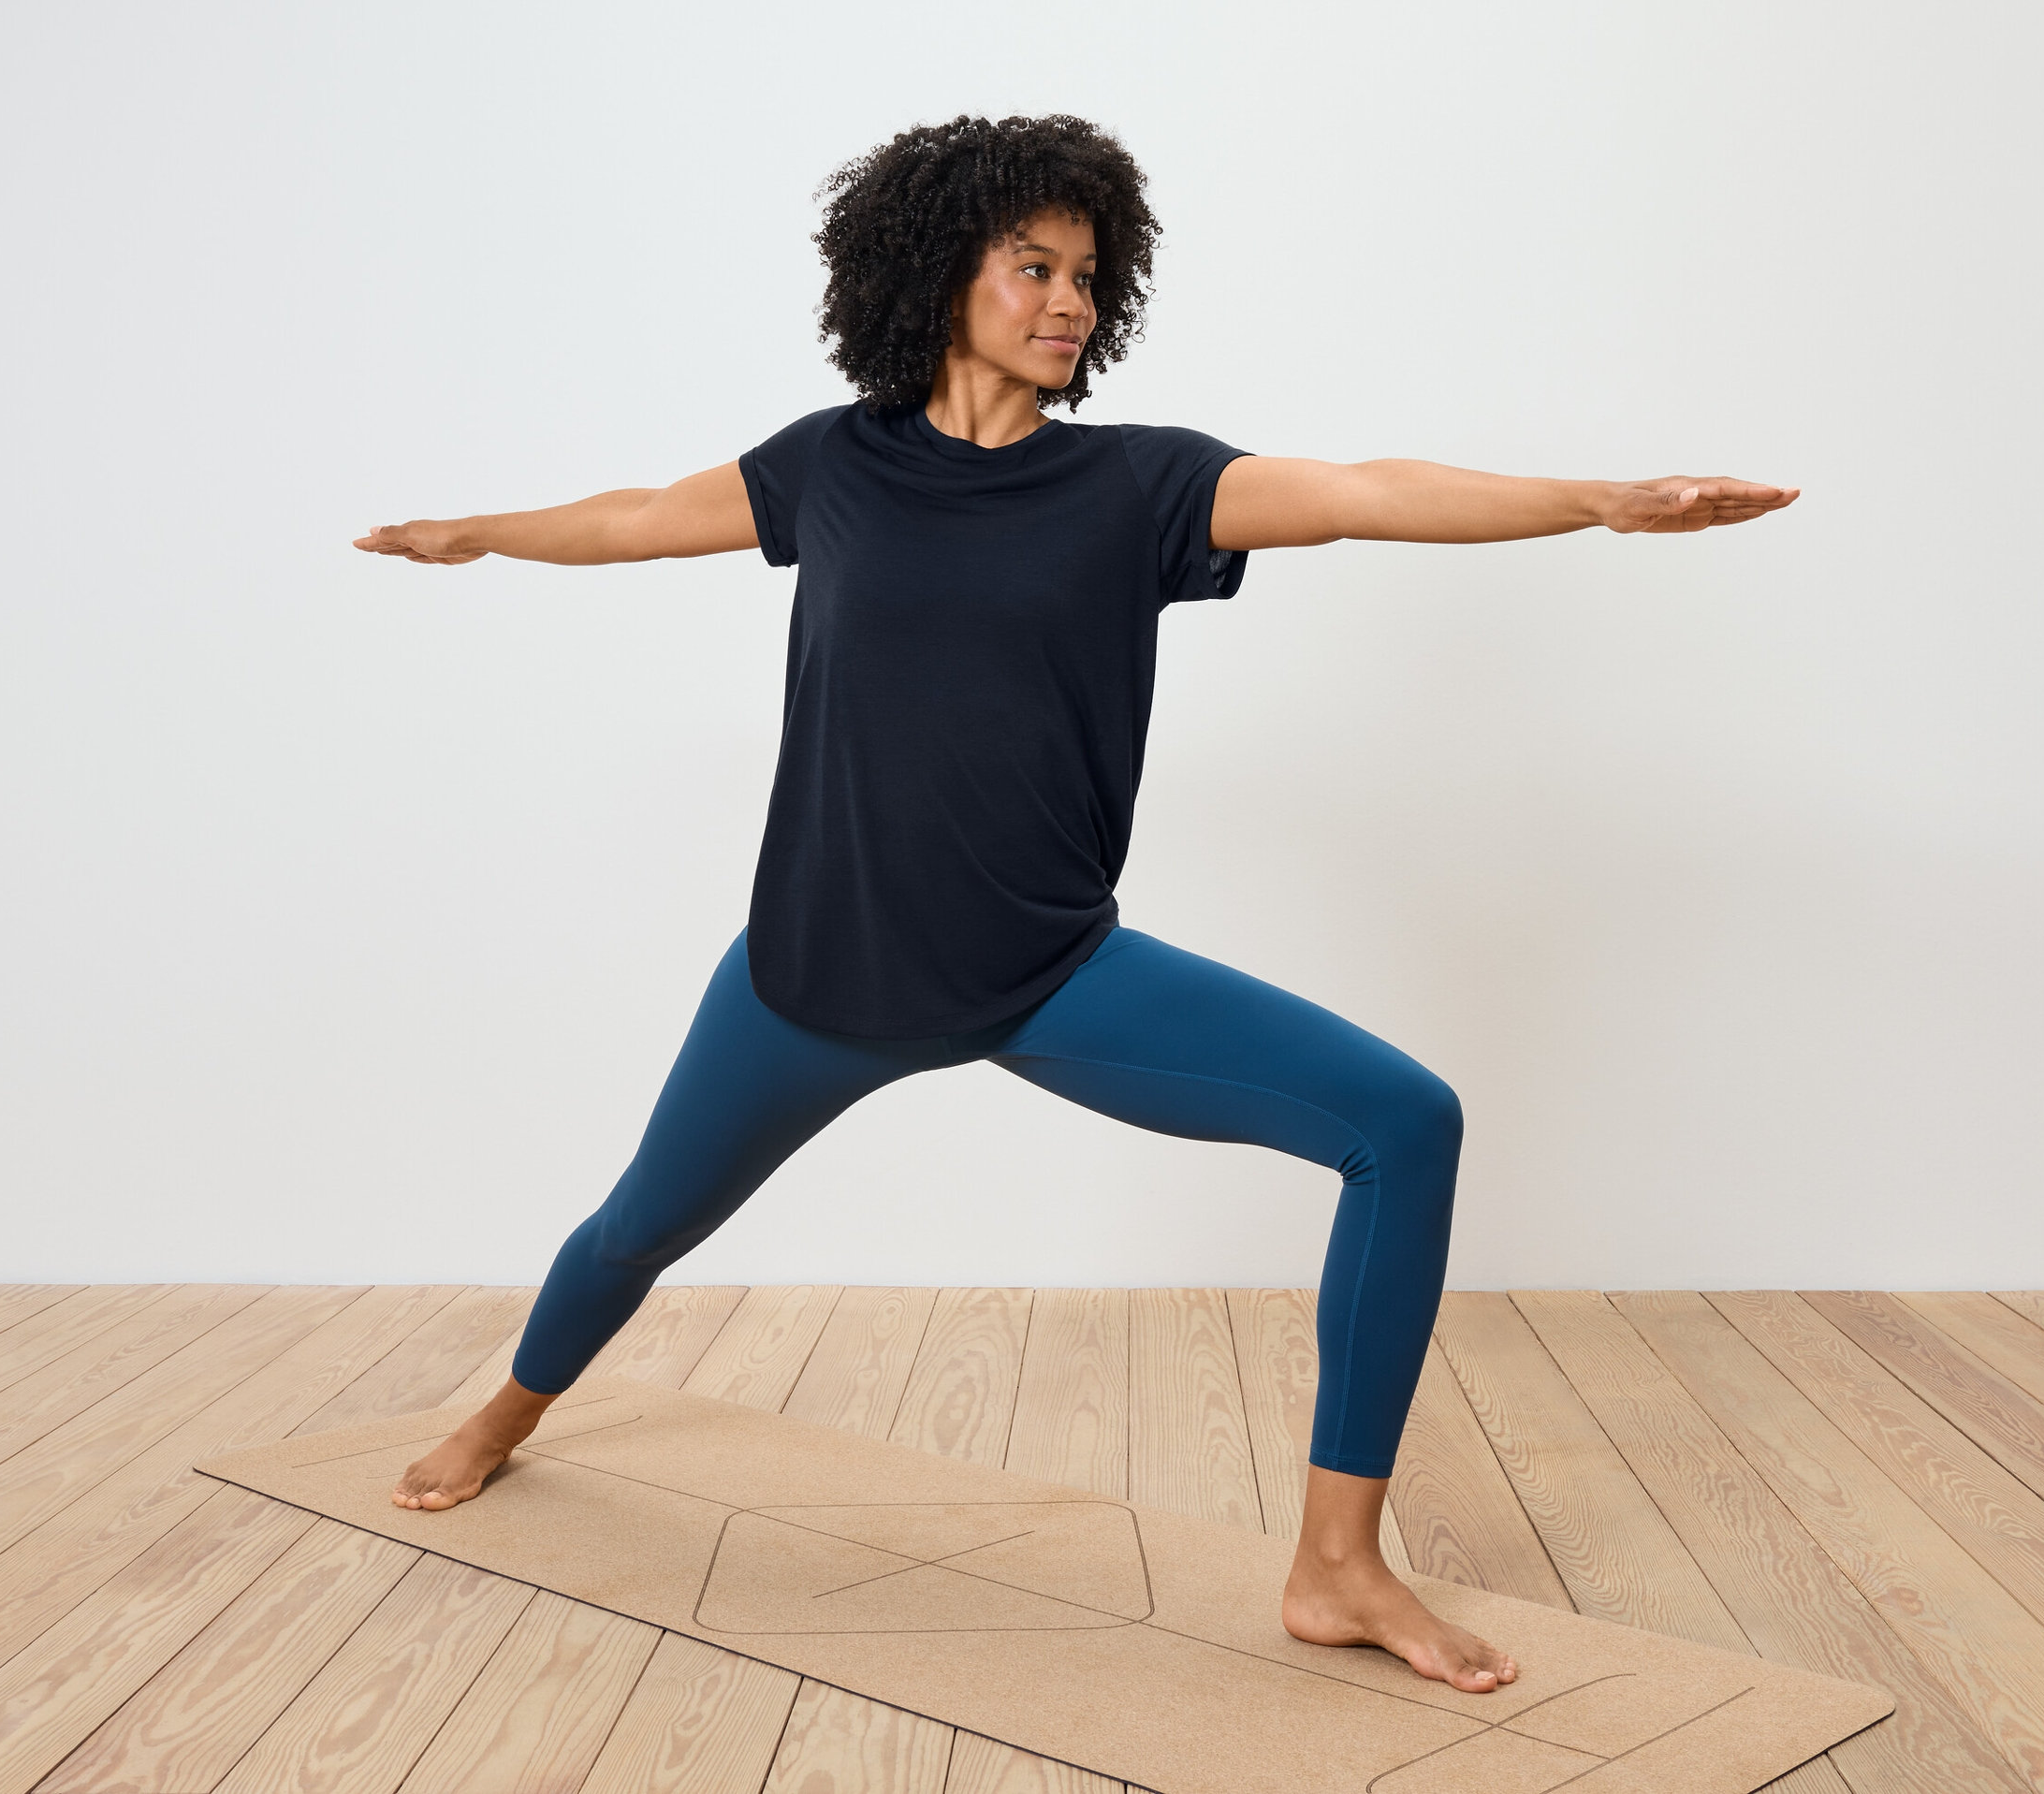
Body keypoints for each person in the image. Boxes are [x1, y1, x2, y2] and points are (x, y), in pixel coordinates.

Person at [353, 113, 1796, 1695]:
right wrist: (477, 531)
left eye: (1087, 275)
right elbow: (635, 517)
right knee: (638, 1224)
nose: (1068, 301)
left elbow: (1360, 488)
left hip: (1040, 972)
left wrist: (1589, 498)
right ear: (932, 272)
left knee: (1407, 1120)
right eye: (1030, 265)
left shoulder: (1140, 486)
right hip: (808, 973)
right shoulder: (828, 465)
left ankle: (1334, 1567)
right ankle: (501, 1414)